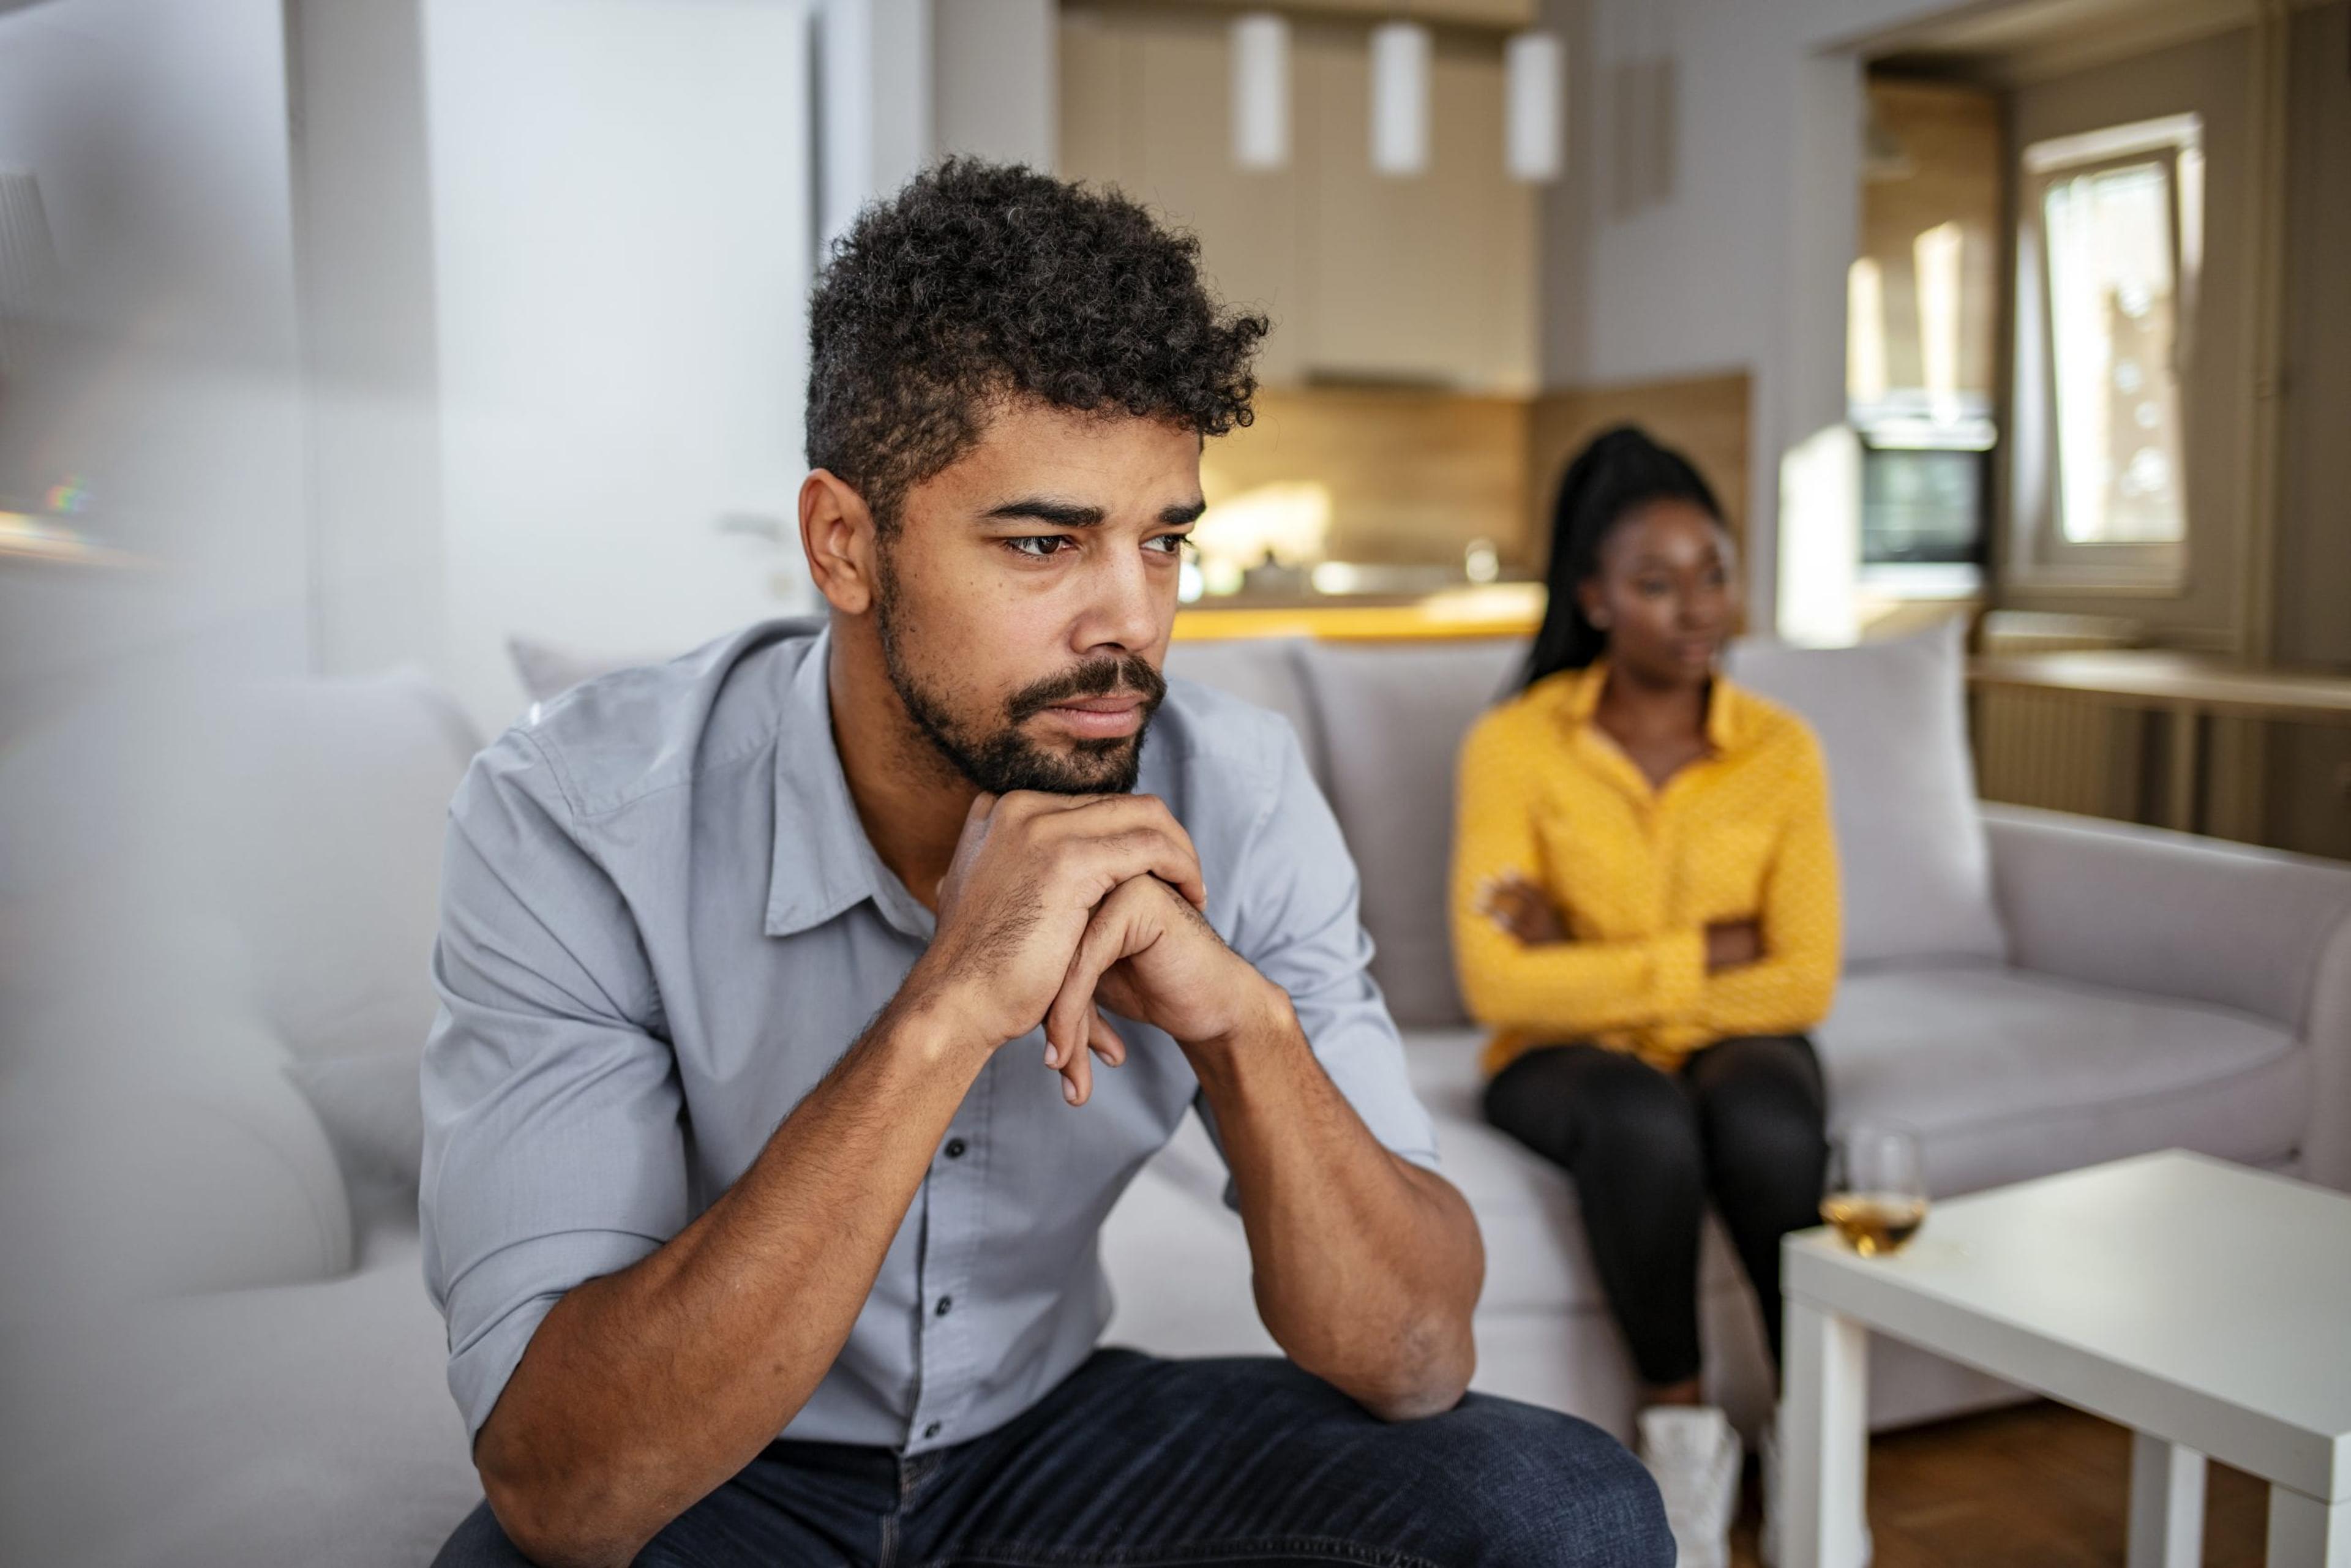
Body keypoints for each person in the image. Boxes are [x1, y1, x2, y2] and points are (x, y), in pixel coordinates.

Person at [422, 162, 1671, 1568]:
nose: (1130, 625)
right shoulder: (576, 817)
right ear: (845, 543)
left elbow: (1416, 1357)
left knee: (1565, 1512)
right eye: (1043, 543)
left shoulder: (1236, 794)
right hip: (726, 1480)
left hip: (1049, 1443)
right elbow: (564, 1490)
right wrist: (947, 1007)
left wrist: (1245, 1026)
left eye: (1165, 542)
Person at [1449, 426, 1842, 1568]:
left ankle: (1812, 1426)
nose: (1696, 607)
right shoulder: (1515, 743)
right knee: (1641, 1118)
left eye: (1712, 575)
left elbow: (1804, 973)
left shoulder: (1782, 749)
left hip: (1709, 1039)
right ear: (1597, 596)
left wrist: (1597, 958)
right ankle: (1687, 1449)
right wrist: (1700, 956)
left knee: (1765, 1120)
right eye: (1658, 584)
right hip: (1557, 1056)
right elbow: (1495, 980)